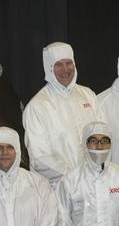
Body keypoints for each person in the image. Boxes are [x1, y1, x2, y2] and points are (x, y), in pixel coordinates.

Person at [22, 41, 98, 184]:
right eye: (58, 64)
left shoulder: (88, 95)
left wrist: (98, 169)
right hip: (58, 187)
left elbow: (103, 134)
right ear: (49, 68)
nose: (65, 69)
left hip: (93, 182)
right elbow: (39, 157)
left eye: (68, 63)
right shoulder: (37, 106)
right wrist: (75, 177)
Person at [56, 120, 119, 226]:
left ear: (110, 144)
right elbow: (62, 223)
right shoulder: (70, 180)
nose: (99, 146)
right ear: (84, 144)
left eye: (104, 141)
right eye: (93, 141)